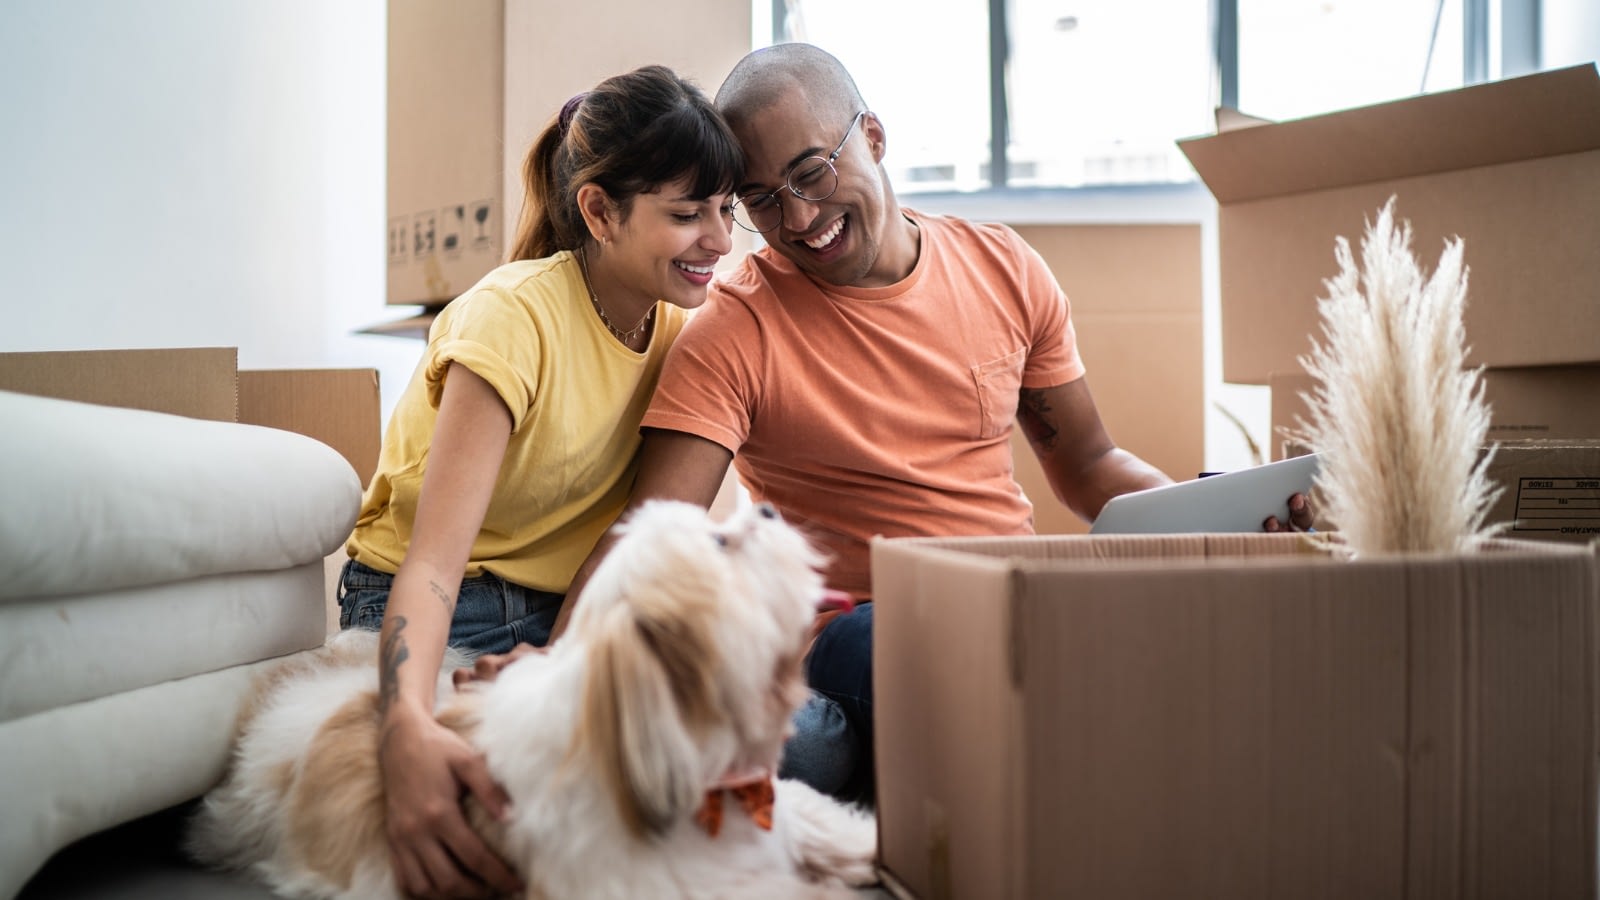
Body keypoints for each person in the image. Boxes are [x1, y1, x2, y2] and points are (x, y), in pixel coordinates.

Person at [517, 43, 1309, 803]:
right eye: (761, 200)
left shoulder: (1004, 267)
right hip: (859, 632)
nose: (799, 219)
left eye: (812, 173)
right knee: (937, 666)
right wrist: (545, 683)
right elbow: (652, 531)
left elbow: (1091, 468)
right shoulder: (736, 328)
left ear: (874, 136)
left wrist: (1216, 525)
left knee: (1179, 657)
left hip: (1021, 602)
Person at [336, 65, 741, 899]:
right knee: (504, 791)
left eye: (727, 208)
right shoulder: (511, 319)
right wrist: (403, 727)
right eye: (687, 213)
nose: (720, 240)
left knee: (755, 743)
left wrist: (558, 663)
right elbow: (432, 566)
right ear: (599, 211)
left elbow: (643, 542)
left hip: (563, 619)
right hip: (443, 602)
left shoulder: (678, 328)